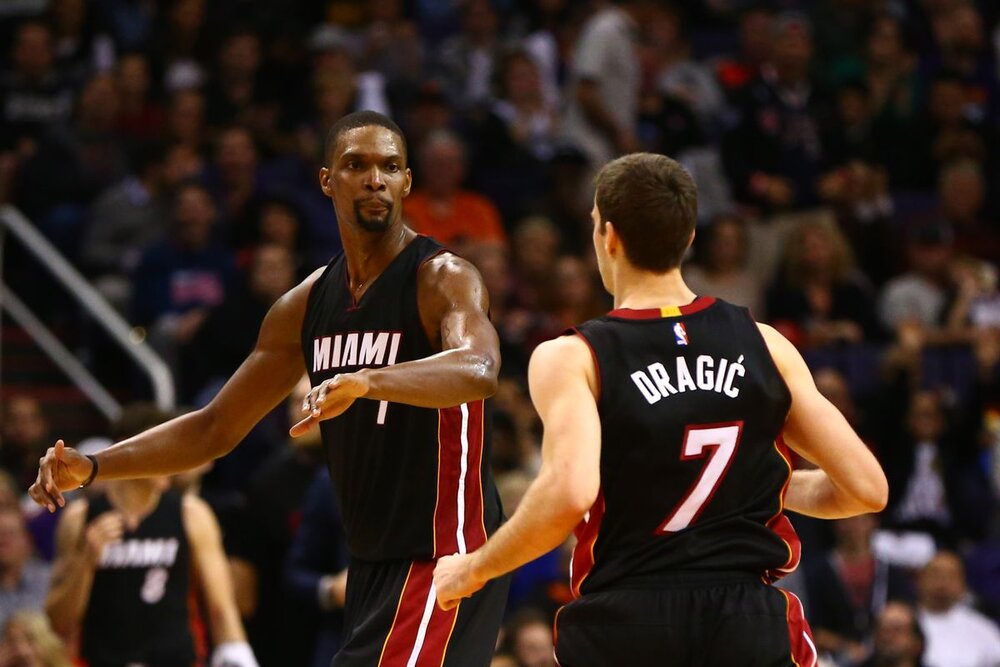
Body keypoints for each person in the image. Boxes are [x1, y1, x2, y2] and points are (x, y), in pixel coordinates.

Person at [30, 110, 508, 667]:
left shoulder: (442, 277)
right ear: (327, 180)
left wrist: (371, 380)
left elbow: (479, 368)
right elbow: (214, 427)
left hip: (446, 553)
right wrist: (94, 467)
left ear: (406, 182)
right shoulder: (304, 306)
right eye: (357, 165)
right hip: (373, 562)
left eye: (390, 166)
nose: (375, 178)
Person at [434, 153, 888, 665]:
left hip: (629, 622)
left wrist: (473, 569)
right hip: (747, 622)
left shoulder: (572, 356)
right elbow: (866, 489)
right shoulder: (765, 344)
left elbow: (568, 492)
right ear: (689, 237)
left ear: (608, 236)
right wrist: (766, 485)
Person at [44, 404, 256, 667]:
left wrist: (240, 656)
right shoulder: (80, 517)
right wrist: (86, 561)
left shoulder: (191, 513)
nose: (172, 460)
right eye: (162, 450)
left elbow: (222, 609)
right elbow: (58, 620)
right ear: (131, 452)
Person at [916, 551, 1000, 667]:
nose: (942, 582)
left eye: (950, 576)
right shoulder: (902, 623)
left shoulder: (984, 629)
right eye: (935, 574)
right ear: (919, 580)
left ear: (963, 585)